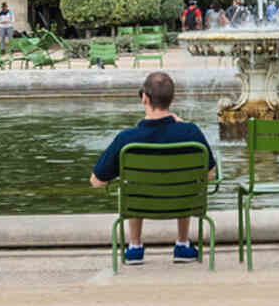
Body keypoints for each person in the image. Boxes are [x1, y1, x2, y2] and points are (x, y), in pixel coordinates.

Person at [90, 71, 216, 265]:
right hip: (181, 201)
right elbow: (209, 175)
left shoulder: (127, 139)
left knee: (131, 183)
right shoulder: (192, 132)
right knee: (185, 180)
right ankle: (182, 245)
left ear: (144, 99)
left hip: (140, 203)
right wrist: (184, 126)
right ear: (172, 99)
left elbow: (96, 181)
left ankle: (134, 247)